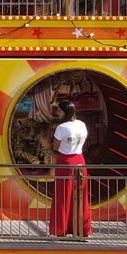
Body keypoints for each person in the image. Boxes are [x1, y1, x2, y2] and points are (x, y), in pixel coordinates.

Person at [48, 100, 90, 238]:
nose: (57, 113)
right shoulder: (82, 124)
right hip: (80, 160)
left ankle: (60, 230)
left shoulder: (62, 127)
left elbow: (55, 146)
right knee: (81, 197)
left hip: (65, 161)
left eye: (59, 111)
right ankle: (82, 230)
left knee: (62, 196)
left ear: (65, 112)